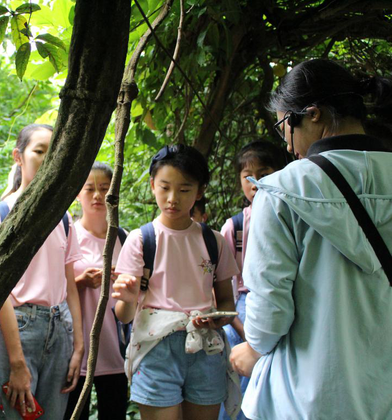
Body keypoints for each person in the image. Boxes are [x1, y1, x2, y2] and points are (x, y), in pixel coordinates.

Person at [229, 59, 392, 419]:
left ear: (313, 114)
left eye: (284, 126)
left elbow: (271, 307)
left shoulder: (282, 190)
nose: (288, 146)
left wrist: (253, 349)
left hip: (306, 399)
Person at [113, 144, 240, 420]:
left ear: (200, 191)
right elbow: (123, 316)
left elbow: (226, 302)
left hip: (205, 346)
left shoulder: (214, 241)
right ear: (152, 185)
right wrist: (128, 297)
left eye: (184, 190)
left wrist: (219, 319)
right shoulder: (141, 240)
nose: (173, 198)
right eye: (164, 187)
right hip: (155, 349)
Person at [0, 124, 84, 420]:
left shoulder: (63, 217)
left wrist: (78, 346)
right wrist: (16, 361)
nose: (47, 159)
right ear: (18, 156)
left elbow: (70, 284)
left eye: (54, 153)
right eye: (39, 151)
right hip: (18, 328)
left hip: (58, 327)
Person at [218, 141, 286, 420]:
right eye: (248, 176)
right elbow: (223, 284)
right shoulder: (234, 226)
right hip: (241, 309)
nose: (255, 182)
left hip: (277, 303)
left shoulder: (288, 215)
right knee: (237, 384)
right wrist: (239, 324)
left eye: (264, 172)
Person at [64, 162, 128, 420]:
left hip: (115, 347)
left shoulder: (124, 237)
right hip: (75, 349)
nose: (98, 196)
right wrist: (80, 282)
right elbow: (54, 289)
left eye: (104, 188)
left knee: (114, 414)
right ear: (78, 193)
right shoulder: (68, 234)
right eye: (90, 189)